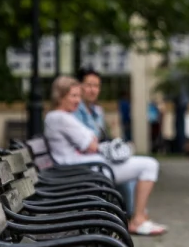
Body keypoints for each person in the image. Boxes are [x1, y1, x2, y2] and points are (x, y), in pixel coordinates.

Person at [45, 75, 168, 236]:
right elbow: (90, 144)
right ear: (60, 96)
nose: (77, 100)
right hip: (85, 170)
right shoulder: (59, 118)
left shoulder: (62, 117)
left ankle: (140, 216)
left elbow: (92, 141)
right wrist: (91, 141)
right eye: (73, 96)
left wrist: (92, 142)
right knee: (149, 165)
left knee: (142, 164)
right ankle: (137, 219)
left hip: (88, 167)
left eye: (78, 96)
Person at [74, 69, 109, 139]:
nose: (93, 90)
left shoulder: (98, 111)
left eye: (96, 86)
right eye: (89, 85)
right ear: (79, 86)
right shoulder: (73, 110)